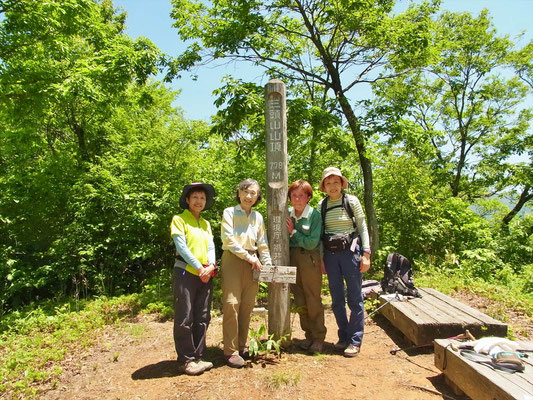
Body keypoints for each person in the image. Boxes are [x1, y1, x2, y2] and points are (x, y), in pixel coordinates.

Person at [318, 167, 371, 357]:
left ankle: (355, 341)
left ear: (342, 184)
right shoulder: (321, 205)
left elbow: (362, 226)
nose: (332, 186)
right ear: (324, 186)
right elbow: (320, 234)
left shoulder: (351, 201)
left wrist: (366, 253)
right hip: (330, 256)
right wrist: (321, 259)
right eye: (328, 183)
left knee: (355, 298)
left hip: (351, 253)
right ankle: (343, 336)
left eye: (336, 182)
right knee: (337, 299)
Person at [220, 178, 272, 368]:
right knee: (231, 304)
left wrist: (268, 265)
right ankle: (230, 350)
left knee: (248, 304)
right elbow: (227, 241)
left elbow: (263, 243)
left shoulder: (258, 217)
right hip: (234, 259)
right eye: (246, 192)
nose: (249, 196)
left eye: (253, 193)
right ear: (239, 193)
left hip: (253, 262)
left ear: (258, 196)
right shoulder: (229, 212)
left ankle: (241, 346)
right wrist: (250, 258)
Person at [170, 182, 218, 375]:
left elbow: (211, 247)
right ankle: (186, 360)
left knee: (203, 315)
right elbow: (181, 247)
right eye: (195, 197)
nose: (199, 201)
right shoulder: (179, 220)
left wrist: (211, 267)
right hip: (186, 272)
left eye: (203, 198)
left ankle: (198, 356)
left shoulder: (205, 223)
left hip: (205, 274)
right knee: (185, 316)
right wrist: (199, 268)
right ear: (187, 200)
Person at [286, 180, 326, 354]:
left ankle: (318, 338)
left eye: (301, 195)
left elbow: (311, 243)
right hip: (293, 258)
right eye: (294, 195)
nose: (297, 199)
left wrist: (294, 232)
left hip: (310, 259)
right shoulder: (287, 213)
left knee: (312, 298)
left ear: (309, 197)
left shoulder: (314, 215)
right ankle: (308, 336)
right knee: (300, 298)